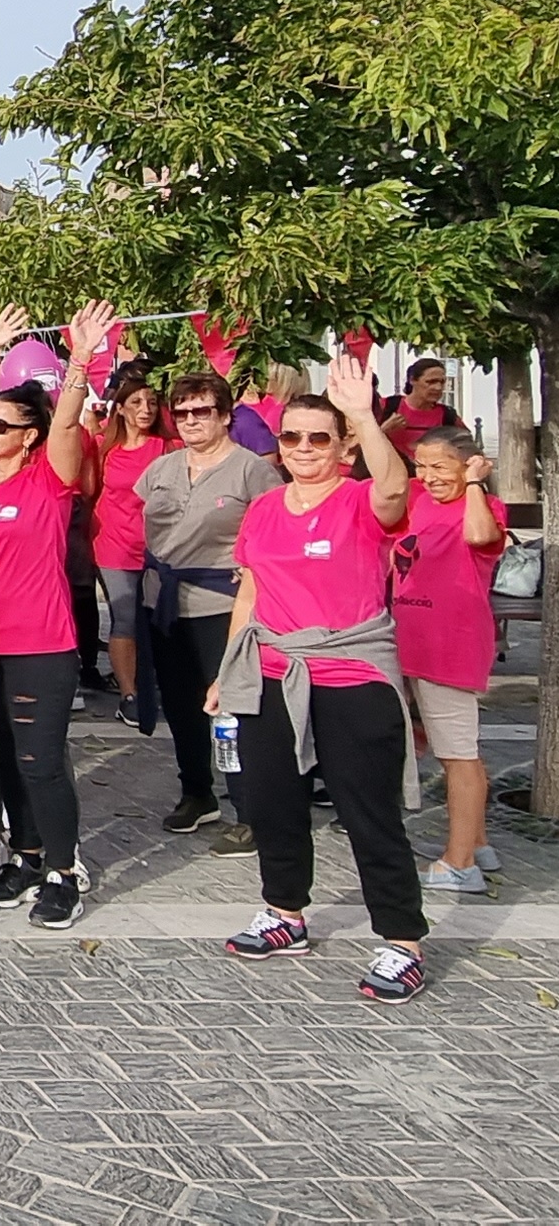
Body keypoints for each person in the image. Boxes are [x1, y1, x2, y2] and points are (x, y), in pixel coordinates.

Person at [215, 358, 427, 999]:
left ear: (342, 447)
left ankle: (402, 940)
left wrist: (363, 413)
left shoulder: (362, 499)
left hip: (352, 671)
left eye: (318, 438)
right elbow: (250, 591)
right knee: (271, 800)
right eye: (291, 437)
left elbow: (396, 487)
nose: (303, 449)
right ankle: (285, 913)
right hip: (272, 669)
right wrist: (227, 673)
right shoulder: (265, 508)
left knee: (369, 811)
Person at [0, 304, 114, 928]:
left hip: (40, 647)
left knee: (40, 763)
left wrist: (78, 361)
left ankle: (64, 870)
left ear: (28, 436)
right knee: (2, 757)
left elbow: (67, 422)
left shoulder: (49, 477)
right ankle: (26, 854)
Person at [139, 370, 281, 853]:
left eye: (202, 411)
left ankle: (249, 809)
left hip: (224, 602)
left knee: (231, 708)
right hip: (164, 600)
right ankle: (196, 792)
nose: (191, 420)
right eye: (181, 412)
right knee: (179, 706)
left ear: (224, 416)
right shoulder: (161, 469)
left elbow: (273, 531)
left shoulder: (251, 470)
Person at [395, 426, 508, 893]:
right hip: (412, 639)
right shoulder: (418, 499)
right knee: (447, 750)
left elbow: (482, 536)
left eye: (441, 466)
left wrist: (478, 482)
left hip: (451, 643)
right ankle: (476, 841)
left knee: (460, 755)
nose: (429, 476)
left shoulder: (481, 505)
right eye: (422, 465)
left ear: (468, 464)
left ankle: (460, 863)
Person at [91, 368, 174, 732]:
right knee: (124, 618)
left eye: (152, 403)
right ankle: (129, 694)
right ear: (120, 409)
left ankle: (160, 686)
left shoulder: (168, 448)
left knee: (160, 620)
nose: (145, 409)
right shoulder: (103, 449)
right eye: (137, 402)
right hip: (114, 547)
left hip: (159, 548)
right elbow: (88, 488)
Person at [378, 358, 455, 460]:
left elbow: (467, 447)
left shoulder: (447, 415)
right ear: (412, 380)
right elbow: (357, 442)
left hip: (430, 473)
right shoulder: (387, 406)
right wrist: (383, 430)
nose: (438, 387)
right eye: (431, 382)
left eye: (442, 382)